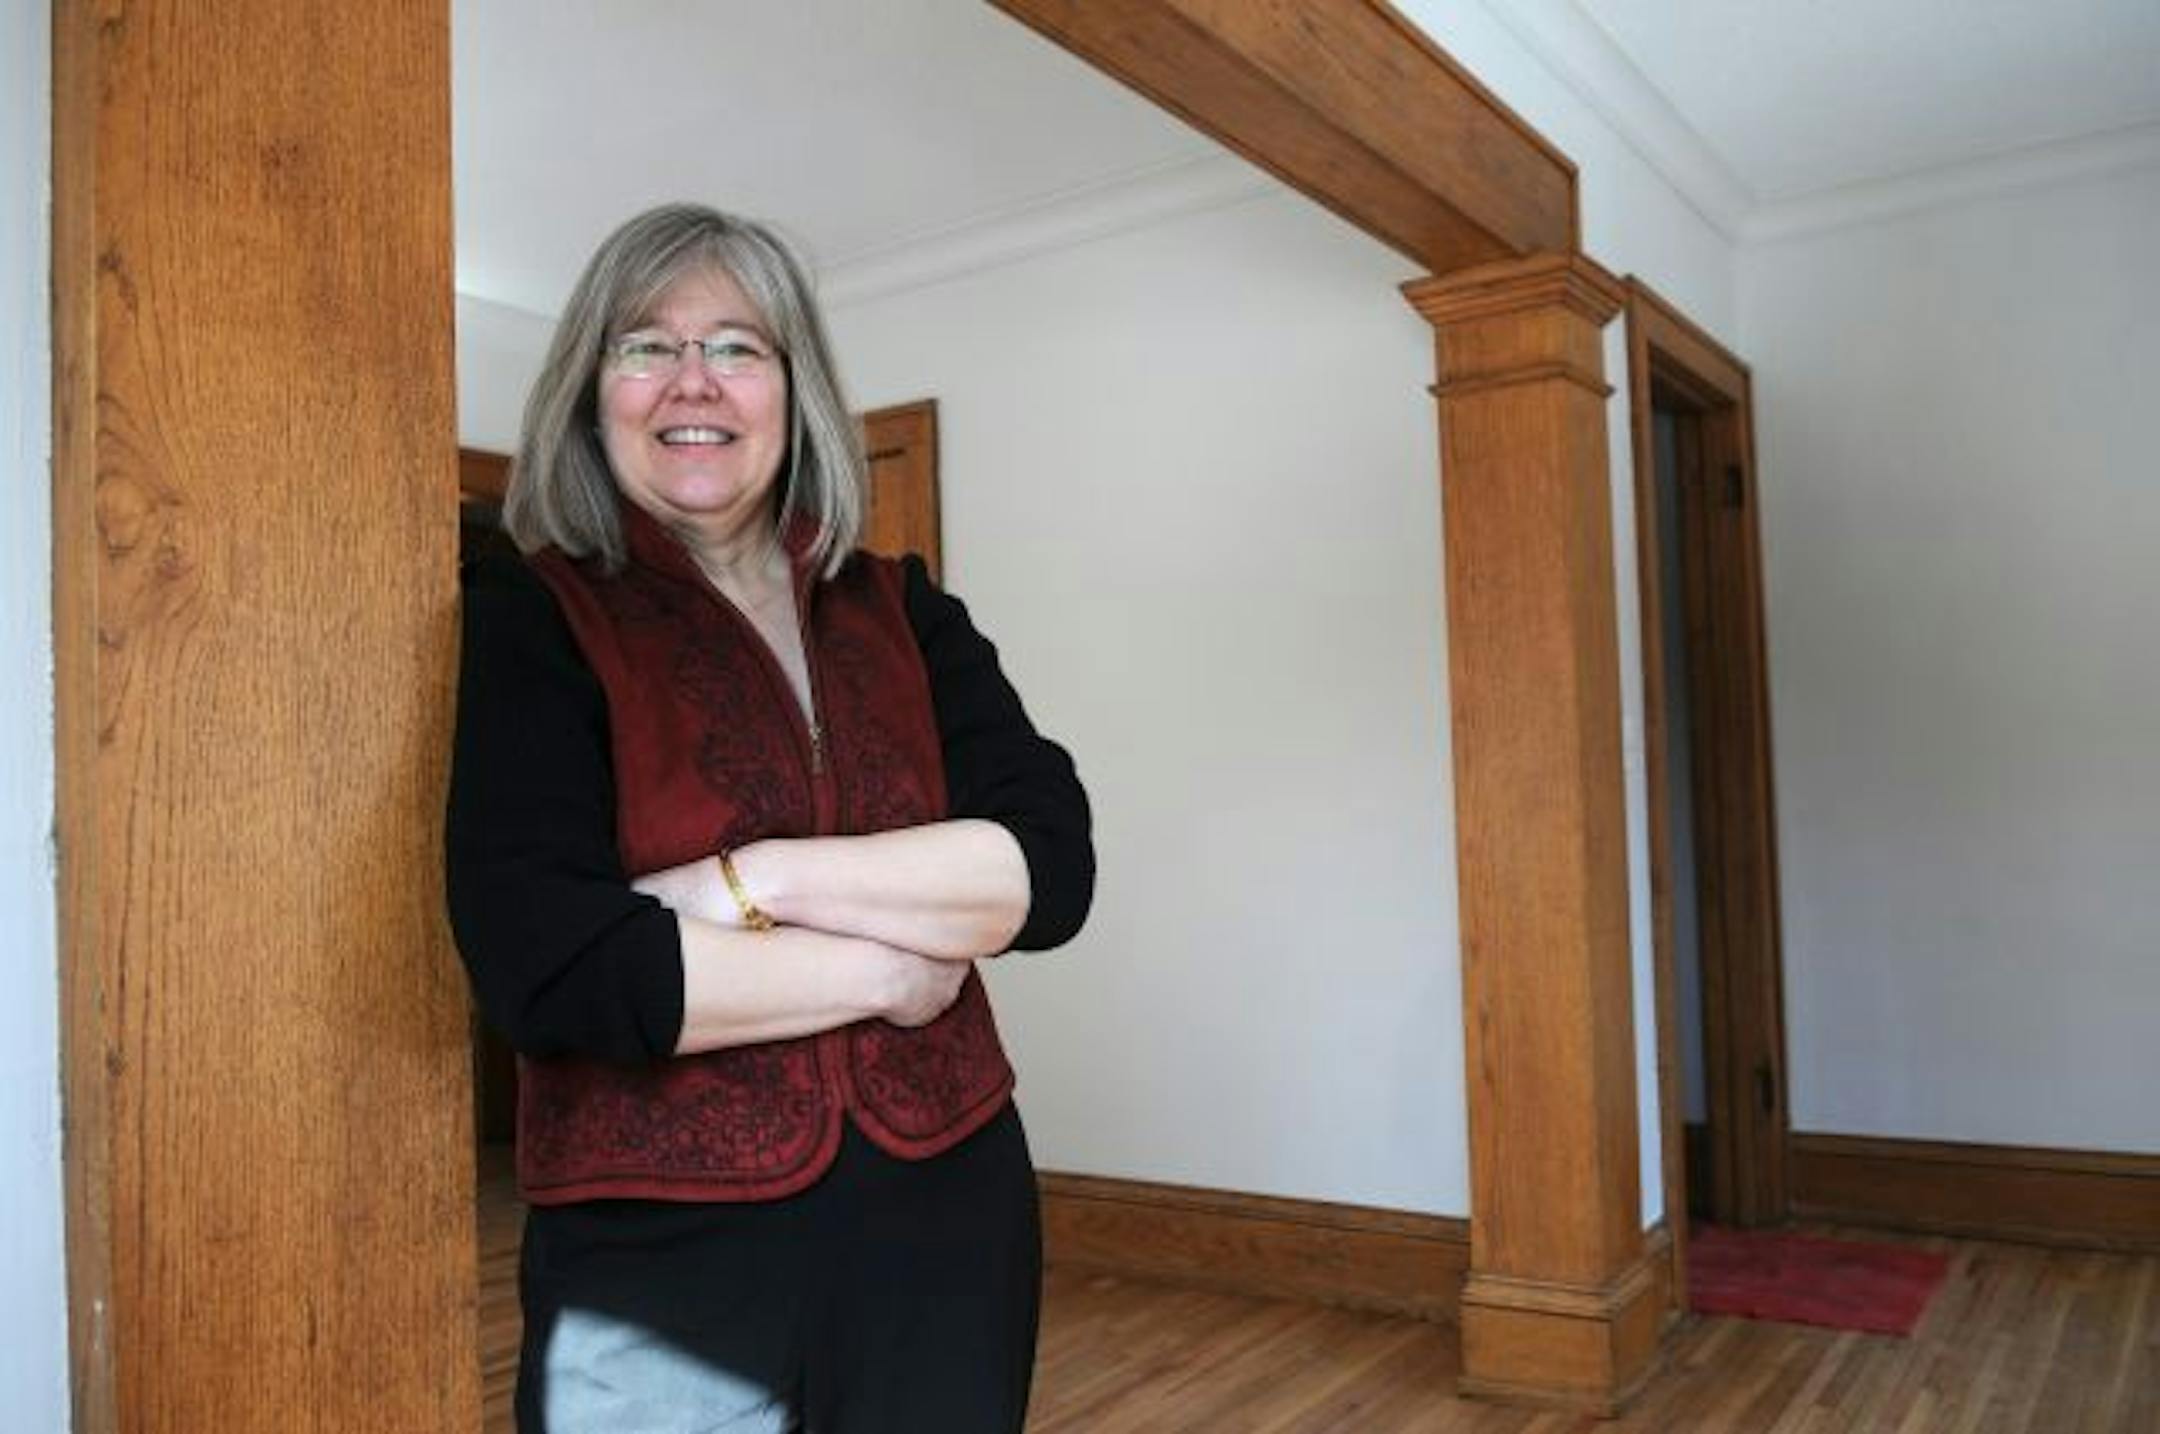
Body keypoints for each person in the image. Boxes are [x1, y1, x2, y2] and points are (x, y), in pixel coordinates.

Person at [446, 201, 1093, 1434]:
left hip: (948, 1214)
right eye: (645, 345)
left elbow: (1046, 869)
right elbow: (555, 968)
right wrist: (889, 970)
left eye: (739, 346)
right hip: (655, 1261)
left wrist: (753, 880)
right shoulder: (533, 616)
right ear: (593, 389)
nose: (694, 379)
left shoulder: (905, 610)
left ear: (794, 391)